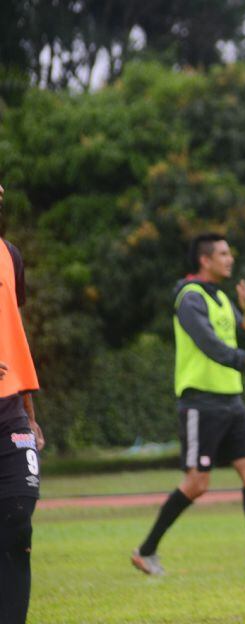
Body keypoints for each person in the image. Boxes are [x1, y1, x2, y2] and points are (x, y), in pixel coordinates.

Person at [131, 233, 245, 575]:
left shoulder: (222, 298)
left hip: (231, 401)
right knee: (197, 483)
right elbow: (211, 346)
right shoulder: (189, 298)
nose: (230, 260)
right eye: (223, 254)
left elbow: (243, 335)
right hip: (201, 402)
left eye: (230, 254)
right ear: (204, 260)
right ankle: (145, 551)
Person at [0, 181, 45, 623]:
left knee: (17, 526)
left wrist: (30, 415)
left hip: (8, 414)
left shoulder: (9, 255)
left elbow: (15, 333)